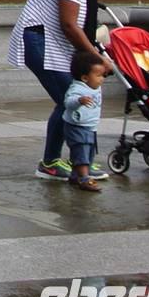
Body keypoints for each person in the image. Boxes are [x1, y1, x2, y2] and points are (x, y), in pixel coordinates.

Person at [7, 0, 116, 182]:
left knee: (69, 99)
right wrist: (97, 59)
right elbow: (69, 25)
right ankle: (63, 164)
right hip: (41, 43)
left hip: (50, 43)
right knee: (72, 100)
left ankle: (67, 161)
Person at [65, 52, 107, 192]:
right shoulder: (78, 88)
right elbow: (68, 102)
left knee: (88, 153)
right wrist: (79, 101)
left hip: (89, 126)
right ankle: (84, 178)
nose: (102, 79)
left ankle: (75, 175)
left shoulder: (94, 86)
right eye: (99, 76)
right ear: (84, 77)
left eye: (102, 75)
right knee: (81, 150)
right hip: (77, 126)